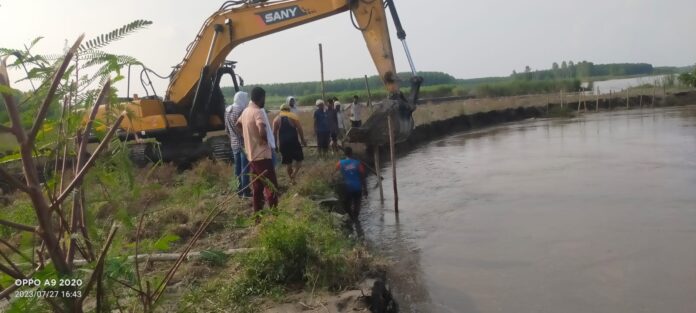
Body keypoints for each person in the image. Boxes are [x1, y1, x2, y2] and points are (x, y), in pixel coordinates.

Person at [236, 87, 279, 212]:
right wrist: (263, 141)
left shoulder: (245, 112)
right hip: (262, 156)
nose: (264, 100)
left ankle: (257, 217)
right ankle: (275, 216)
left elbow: (237, 124)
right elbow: (261, 128)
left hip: (252, 157)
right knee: (272, 187)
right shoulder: (257, 111)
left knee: (258, 188)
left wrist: (247, 137)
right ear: (261, 98)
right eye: (264, 98)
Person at [224, 91, 251, 198]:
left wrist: (233, 138)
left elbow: (226, 130)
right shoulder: (242, 110)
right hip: (243, 143)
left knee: (237, 168)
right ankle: (246, 191)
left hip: (234, 143)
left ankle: (238, 190)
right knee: (245, 168)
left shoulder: (228, 110)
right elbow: (243, 128)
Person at [273, 104, 307, 184]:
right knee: (299, 160)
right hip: (294, 142)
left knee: (288, 163)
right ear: (289, 110)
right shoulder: (293, 116)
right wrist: (302, 140)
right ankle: (294, 174)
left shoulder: (276, 119)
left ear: (281, 110)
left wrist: (275, 145)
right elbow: (299, 128)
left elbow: (274, 133)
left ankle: (292, 180)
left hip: (283, 144)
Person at [335, 147, 366, 222]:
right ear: (352, 153)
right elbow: (363, 177)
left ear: (344, 154)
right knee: (357, 204)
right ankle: (356, 219)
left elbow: (335, 175)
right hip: (357, 187)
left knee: (347, 205)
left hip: (347, 188)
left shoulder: (339, 163)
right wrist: (365, 189)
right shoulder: (358, 163)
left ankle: (351, 218)